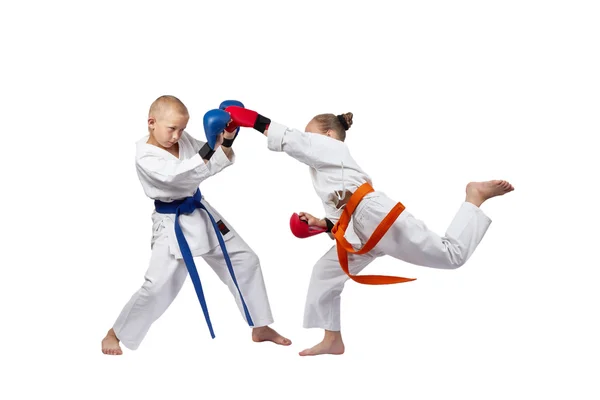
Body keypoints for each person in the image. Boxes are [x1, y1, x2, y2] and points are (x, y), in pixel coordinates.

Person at [224, 105, 514, 356]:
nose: (306, 138)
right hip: (359, 230)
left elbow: (293, 141)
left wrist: (254, 120)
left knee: (451, 256)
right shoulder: (324, 170)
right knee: (324, 274)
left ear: (328, 135)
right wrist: (320, 223)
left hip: (373, 216)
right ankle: (332, 339)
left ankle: (474, 197)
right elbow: (339, 212)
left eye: (310, 133)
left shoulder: (332, 147)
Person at [101, 96, 290, 355]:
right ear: (151, 123)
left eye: (182, 129)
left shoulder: (181, 139)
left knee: (246, 259)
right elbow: (180, 173)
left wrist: (229, 134)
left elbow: (212, 161)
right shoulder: (145, 156)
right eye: (172, 129)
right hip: (171, 223)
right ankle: (116, 333)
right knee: (158, 285)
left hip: (201, 212)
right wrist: (213, 145)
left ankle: (260, 326)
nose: (177, 136)